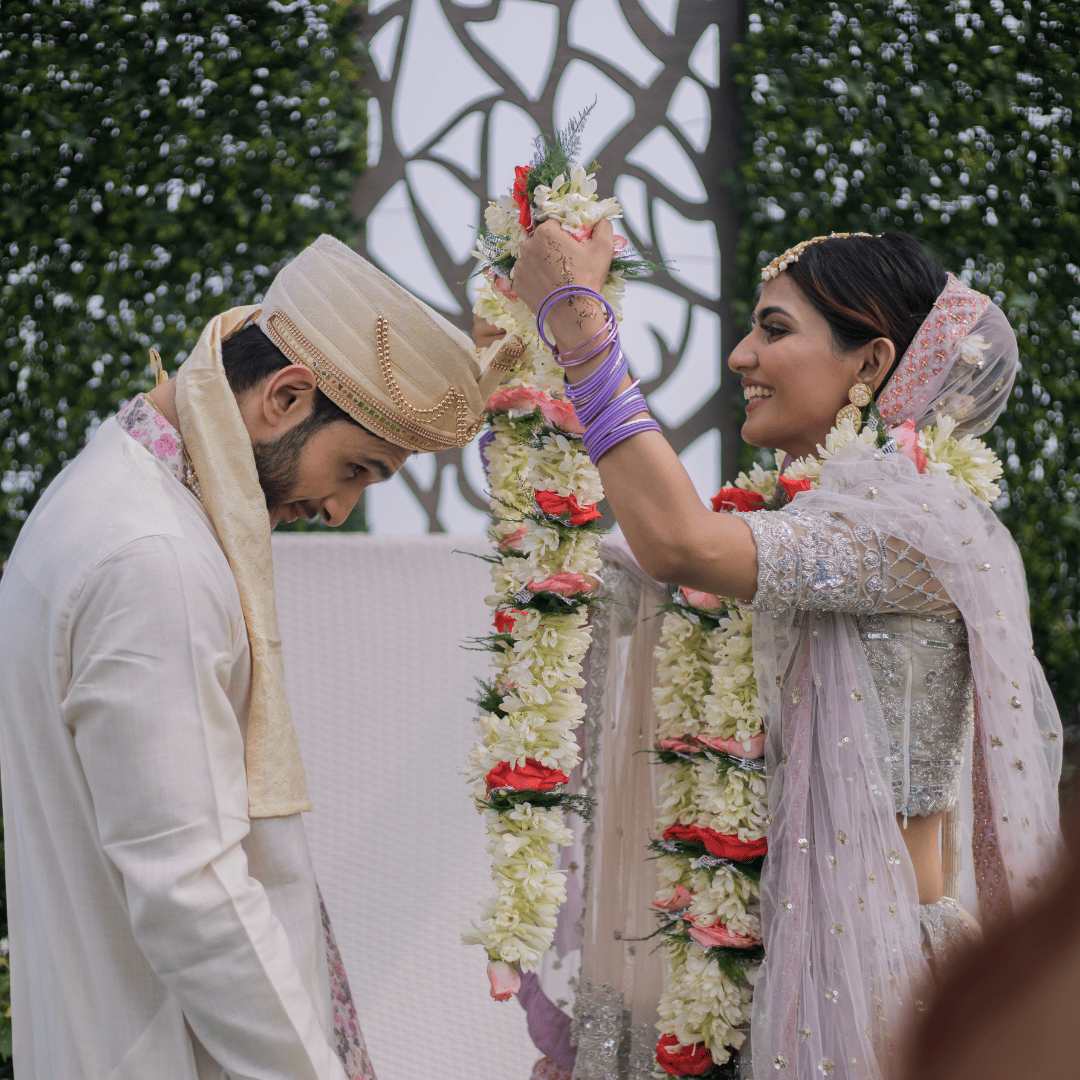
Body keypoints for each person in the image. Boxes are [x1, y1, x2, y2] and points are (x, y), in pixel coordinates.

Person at [500, 224, 1063, 1078]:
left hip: (866, 982)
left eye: (773, 329)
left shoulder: (916, 529)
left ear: (870, 364)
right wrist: (521, 386)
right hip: (718, 967)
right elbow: (591, 576)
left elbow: (678, 544)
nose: (739, 357)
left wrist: (583, 334)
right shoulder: (774, 528)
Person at [0, 234, 518, 1079]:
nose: (339, 507)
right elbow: (188, 887)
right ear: (285, 395)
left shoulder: (110, 489)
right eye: (356, 468)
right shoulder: (153, 560)